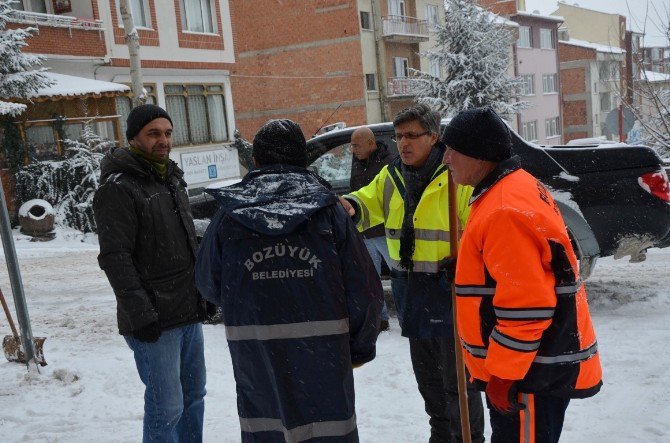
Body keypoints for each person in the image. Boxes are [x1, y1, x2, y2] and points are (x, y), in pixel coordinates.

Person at [195, 119, 383, 442]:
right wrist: (358, 349)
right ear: (302, 160)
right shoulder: (329, 211)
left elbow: (208, 284)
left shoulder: (229, 217)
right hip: (324, 362)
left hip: (258, 363)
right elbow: (364, 290)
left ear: (256, 161)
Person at [441, 106, 603, 443]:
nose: (445, 160)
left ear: (479, 154)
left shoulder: (504, 209)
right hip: (530, 368)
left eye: (452, 151)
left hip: (527, 375)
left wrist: (504, 375)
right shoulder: (512, 188)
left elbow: (527, 305)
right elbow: (523, 272)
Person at [339, 104, 484, 442]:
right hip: (413, 297)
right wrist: (350, 206)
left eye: (412, 135)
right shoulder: (391, 176)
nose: (403, 142)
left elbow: (479, 227)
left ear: (433, 137)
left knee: (459, 388)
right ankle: (441, 437)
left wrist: (466, 260)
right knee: (431, 387)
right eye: (399, 135)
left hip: (451, 296)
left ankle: (468, 439)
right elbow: (367, 201)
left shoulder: (454, 176)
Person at [93, 104, 208, 442]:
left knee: (194, 398)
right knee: (167, 407)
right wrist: (141, 313)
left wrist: (204, 293)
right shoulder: (119, 187)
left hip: (187, 312)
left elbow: (187, 245)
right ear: (134, 138)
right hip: (154, 321)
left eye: (168, 133)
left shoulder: (170, 178)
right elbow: (116, 258)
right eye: (154, 133)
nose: (163, 140)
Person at [350, 126, 395, 331]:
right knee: (371, 279)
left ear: (371, 143)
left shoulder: (389, 163)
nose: (353, 149)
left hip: (386, 232)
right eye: (352, 145)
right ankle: (381, 318)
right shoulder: (357, 163)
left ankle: (406, 315)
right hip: (365, 232)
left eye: (356, 145)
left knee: (400, 276)